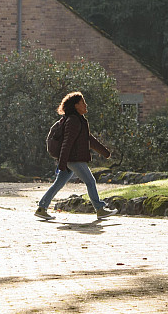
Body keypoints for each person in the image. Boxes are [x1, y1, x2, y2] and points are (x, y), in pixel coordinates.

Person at [35, 92, 117, 220]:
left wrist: (105, 153)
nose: (85, 105)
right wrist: (62, 162)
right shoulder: (73, 121)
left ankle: (41, 208)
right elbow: (67, 142)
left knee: (58, 184)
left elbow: (89, 139)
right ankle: (100, 209)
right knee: (90, 181)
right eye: (82, 102)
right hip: (73, 159)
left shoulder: (78, 120)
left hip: (70, 159)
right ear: (75, 106)